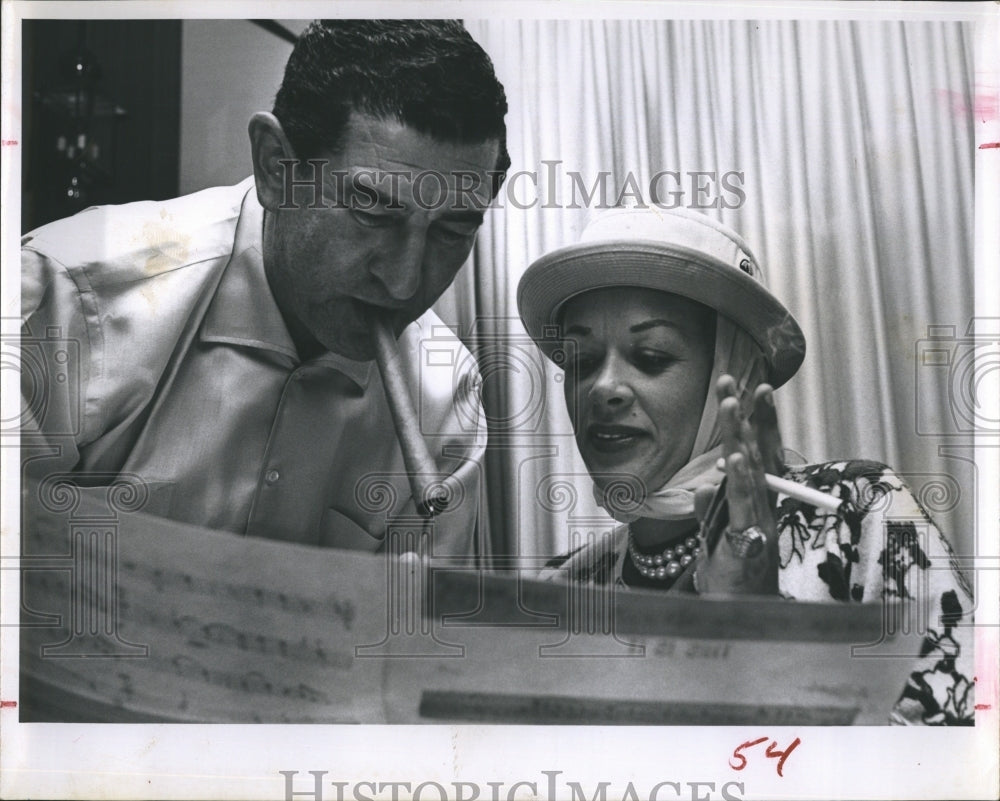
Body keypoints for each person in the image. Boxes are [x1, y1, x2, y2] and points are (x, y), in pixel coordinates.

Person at [20, 20, 510, 556]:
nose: (403, 283)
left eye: (452, 231)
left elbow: (408, 635)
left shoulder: (445, 399)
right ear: (276, 167)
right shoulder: (69, 302)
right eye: (372, 211)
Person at [516, 205, 975, 725]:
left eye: (651, 356)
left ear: (732, 371)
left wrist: (759, 636)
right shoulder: (559, 592)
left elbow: (961, 752)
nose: (602, 388)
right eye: (581, 360)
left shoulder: (861, 514)